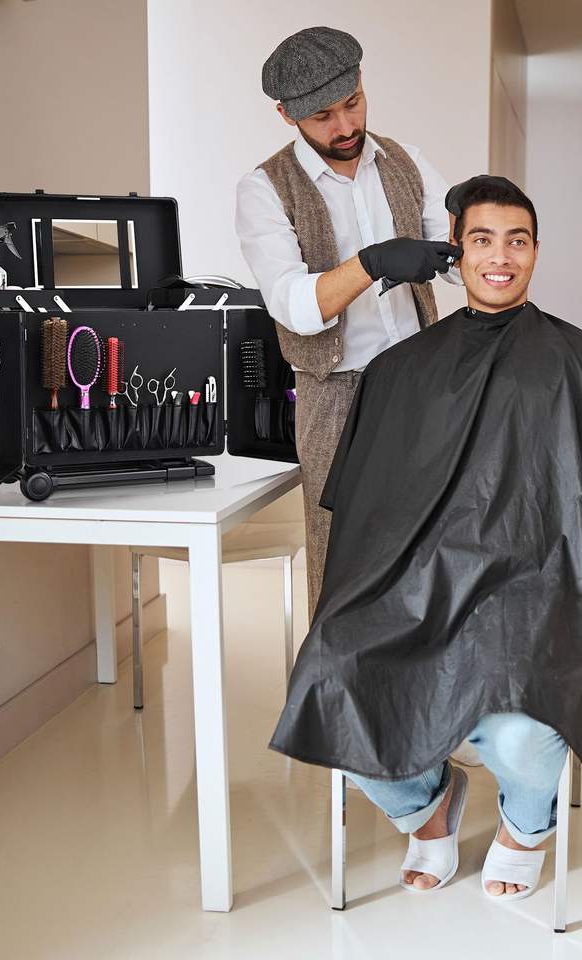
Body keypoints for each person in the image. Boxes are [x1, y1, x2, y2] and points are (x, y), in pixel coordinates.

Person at [269, 176, 582, 900]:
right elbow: (367, 523)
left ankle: (525, 826)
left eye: (516, 241)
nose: (500, 257)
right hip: (422, 591)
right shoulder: (399, 373)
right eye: (482, 240)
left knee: (526, 728)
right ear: (456, 252)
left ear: (536, 252)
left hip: (540, 594)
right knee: (330, 680)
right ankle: (428, 812)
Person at [235, 25, 462, 621]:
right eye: (322, 117)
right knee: (342, 562)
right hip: (333, 398)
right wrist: (372, 263)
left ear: (362, 82)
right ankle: (337, 680)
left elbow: (457, 259)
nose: (344, 126)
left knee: (430, 548)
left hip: (421, 385)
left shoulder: (407, 163)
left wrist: (478, 245)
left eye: (352, 103)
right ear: (287, 115)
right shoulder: (264, 190)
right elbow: (293, 306)